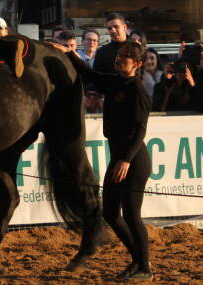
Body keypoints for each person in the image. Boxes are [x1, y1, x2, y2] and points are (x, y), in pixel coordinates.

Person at [54, 41, 153, 280]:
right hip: (118, 157)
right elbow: (90, 74)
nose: (119, 59)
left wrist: (126, 160)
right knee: (110, 212)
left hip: (133, 160)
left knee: (132, 215)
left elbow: (140, 130)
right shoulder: (115, 81)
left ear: (137, 64)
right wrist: (70, 53)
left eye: (125, 57)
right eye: (119, 55)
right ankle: (138, 260)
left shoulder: (137, 90)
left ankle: (145, 268)